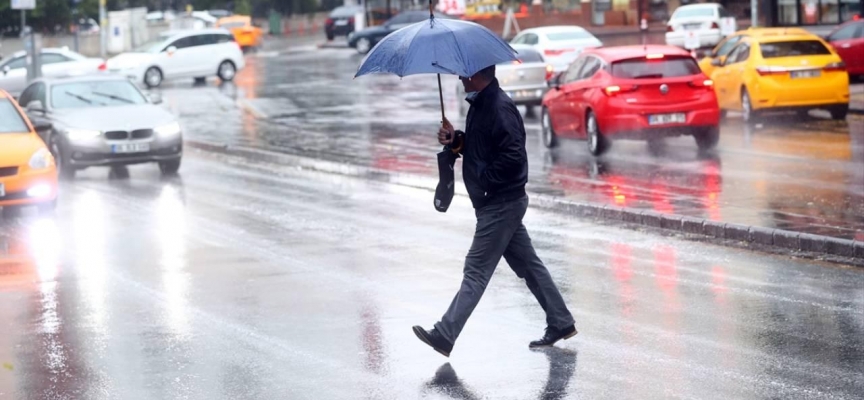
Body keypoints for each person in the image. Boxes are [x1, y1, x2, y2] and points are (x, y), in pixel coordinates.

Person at [412, 64, 576, 358]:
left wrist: (485, 180)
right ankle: (561, 322)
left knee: (475, 271)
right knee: (528, 265)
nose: (460, 79)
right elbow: (483, 148)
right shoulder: (483, 103)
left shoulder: (498, 107)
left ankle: (445, 334)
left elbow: (513, 155)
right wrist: (457, 140)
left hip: (500, 203)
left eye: (463, 74)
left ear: (476, 76)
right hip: (500, 202)